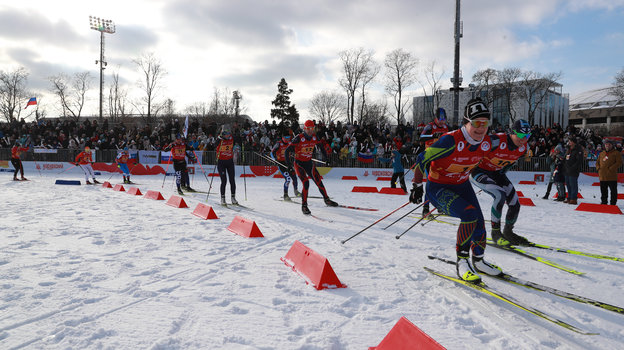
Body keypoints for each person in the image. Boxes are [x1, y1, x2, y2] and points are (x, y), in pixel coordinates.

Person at [409, 98, 501, 283]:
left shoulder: (488, 142)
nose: (480, 128)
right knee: (469, 215)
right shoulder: (450, 141)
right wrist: (417, 187)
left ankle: (479, 260)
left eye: (485, 123)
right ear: (466, 123)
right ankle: (462, 262)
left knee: (479, 223)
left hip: (462, 185)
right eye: (476, 123)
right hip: (439, 187)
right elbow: (421, 159)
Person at [470, 119, 531, 246]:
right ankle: (495, 233)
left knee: (515, 202)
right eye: (520, 135)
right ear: (512, 132)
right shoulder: (496, 141)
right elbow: (472, 147)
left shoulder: (523, 147)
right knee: (499, 195)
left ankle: (508, 232)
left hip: (497, 173)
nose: (523, 139)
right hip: (478, 171)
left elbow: (510, 160)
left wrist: (506, 167)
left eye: (527, 136)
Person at [285, 120, 338, 215]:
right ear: (304, 129)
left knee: (318, 181)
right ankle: (304, 205)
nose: (310, 131)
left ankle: (327, 200)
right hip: (299, 164)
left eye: (312, 129)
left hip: (309, 163)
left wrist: (327, 159)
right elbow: (287, 151)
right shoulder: (299, 138)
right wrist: (289, 165)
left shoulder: (314, 137)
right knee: (306, 183)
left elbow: (321, 147)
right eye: (308, 129)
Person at [419, 108, 449, 217]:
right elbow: (421, 137)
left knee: (443, 183)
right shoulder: (430, 126)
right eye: (440, 119)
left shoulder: (446, 127)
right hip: (429, 158)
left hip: (441, 159)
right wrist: (432, 136)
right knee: (431, 183)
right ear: (435, 118)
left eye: (443, 119)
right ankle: (425, 209)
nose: (442, 121)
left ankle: (440, 206)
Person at [270, 129, 300, 201]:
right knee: (288, 179)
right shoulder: (279, 144)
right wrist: (274, 159)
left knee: (294, 177)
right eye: (285, 138)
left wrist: (295, 154)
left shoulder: (290, 143)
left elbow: (295, 150)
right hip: (281, 164)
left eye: (288, 138)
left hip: (288, 163)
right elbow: (272, 152)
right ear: (282, 137)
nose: (287, 140)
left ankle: (296, 191)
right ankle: (285, 195)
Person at [596, 139, 622, 205]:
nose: (607, 146)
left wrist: (611, 168)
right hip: (602, 176)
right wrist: (598, 168)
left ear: (612, 145)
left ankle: (613, 203)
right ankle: (604, 202)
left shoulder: (616, 153)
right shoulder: (602, 153)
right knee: (603, 191)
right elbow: (597, 162)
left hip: (611, 176)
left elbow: (619, 162)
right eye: (606, 144)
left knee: (613, 191)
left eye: (609, 144)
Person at [216, 129, 237, 205]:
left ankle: (233, 198)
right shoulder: (219, 140)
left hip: (230, 162)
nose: (228, 136)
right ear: (223, 135)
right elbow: (214, 145)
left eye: (229, 134)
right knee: (224, 181)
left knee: (232, 180)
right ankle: (223, 198)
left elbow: (238, 139)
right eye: (226, 134)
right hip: (221, 162)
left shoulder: (231, 138)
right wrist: (219, 139)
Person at [564, 136, 583, 204]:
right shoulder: (568, 150)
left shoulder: (578, 150)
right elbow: (566, 158)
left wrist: (572, 168)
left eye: (570, 141)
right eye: (568, 141)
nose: (569, 142)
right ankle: (569, 197)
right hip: (567, 170)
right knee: (568, 185)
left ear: (574, 142)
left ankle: (573, 198)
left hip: (573, 170)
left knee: (573, 185)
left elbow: (579, 161)